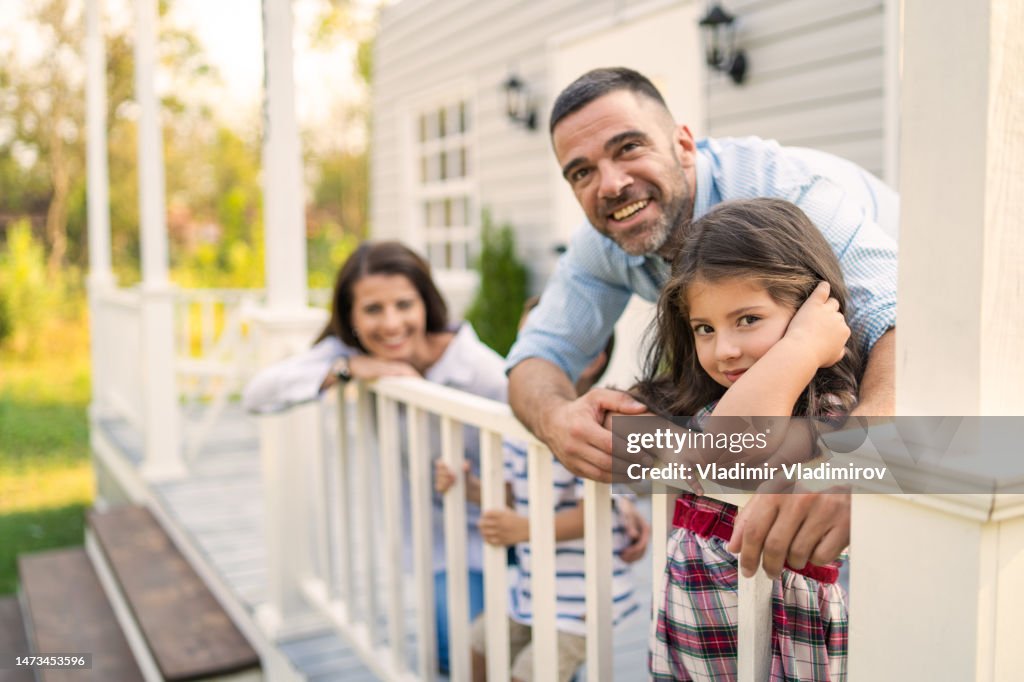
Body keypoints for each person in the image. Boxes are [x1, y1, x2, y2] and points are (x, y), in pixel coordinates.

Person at [506, 66, 898, 576]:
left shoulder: (787, 191)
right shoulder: (603, 241)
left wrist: (858, 463)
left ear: (684, 145)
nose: (611, 184)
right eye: (581, 172)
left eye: (628, 147)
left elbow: (903, 325)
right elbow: (536, 355)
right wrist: (555, 419)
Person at [242, 241, 506, 674]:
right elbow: (258, 395)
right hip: (446, 546)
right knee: (449, 651)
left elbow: (540, 434)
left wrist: (620, 500)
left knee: (520, 654)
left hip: (520, 530)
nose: (391, 324)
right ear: (350, 317)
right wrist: (349, 369)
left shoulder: (475, 367)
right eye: (372, 310)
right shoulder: (354, 355)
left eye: (404, 304)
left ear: (426, 302)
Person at [632, 198, 857, 680]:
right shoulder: (718, 400)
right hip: (693, 631)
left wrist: (800, 348)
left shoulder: (827, 412)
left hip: (776, 639)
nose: (724, 349)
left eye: (747, 320)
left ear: (809, 314)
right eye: (704, 328)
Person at [435, 297, 647, 682]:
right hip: (532, 588)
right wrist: (470, 488)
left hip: (581, 600)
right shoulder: (527, 422)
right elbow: (522, 492)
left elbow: (595, 515)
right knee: (476, 649)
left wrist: (524, 529)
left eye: (539, 340)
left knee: (531, 673)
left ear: (593, 356)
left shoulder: (602, 422)